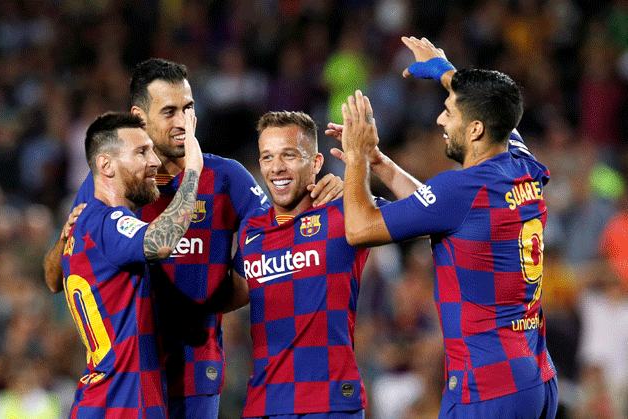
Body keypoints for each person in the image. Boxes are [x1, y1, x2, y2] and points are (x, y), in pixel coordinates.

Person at [43, 58, 343, 419]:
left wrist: (318, 194)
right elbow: (56, 278)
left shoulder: (226, 177)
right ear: (140, 117)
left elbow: (277, 238)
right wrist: (64, 238)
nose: (182, 122)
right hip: (130, 366)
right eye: (169, 112)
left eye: (188, 109)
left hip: (195, 362)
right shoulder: (110, 188)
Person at [336, 37, 558, 418]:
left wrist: (356, 155)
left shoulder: (459, 188)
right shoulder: (521, 162)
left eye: (448, 112)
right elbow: (441, 210)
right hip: (534, 376)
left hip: (486, 385)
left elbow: (359, 228)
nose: (440, 119)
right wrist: (382, 162)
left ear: (473, 130)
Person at [229, 111, 389, 419]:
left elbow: (427, 214)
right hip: (263, 404)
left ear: (316, 163)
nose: (276, 168)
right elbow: (230, 294)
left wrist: (373, 164)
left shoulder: (344, 213)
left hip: (330, 403)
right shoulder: (252, 229)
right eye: (267, 157)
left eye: (289, 155)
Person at [60, 111, 203, 418]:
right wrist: (193, 173)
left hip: (98, 398)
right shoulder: (109, 222)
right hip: (121, 404)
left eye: (152, 150)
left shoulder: (83, 225)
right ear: (105, 165)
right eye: (141, 152)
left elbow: (53, 278)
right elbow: (161, 241)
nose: (154, 161)